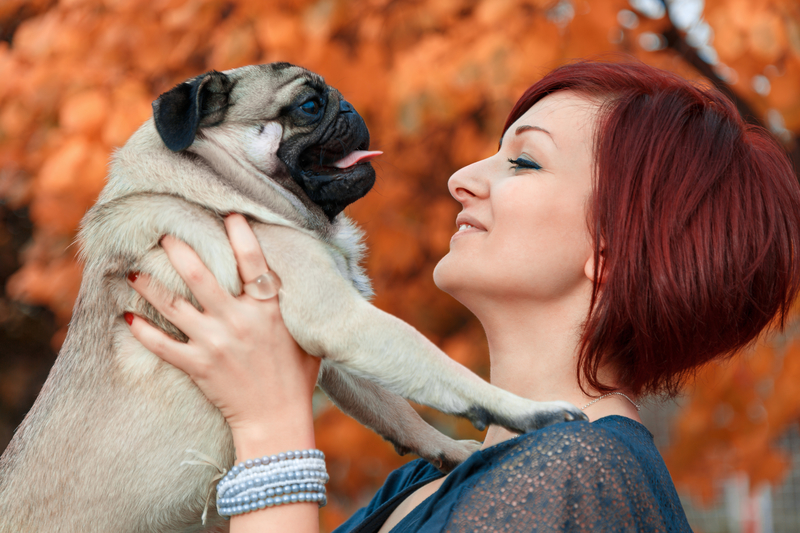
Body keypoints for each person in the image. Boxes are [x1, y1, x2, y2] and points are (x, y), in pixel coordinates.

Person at [125, 59, 800, 532]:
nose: (460, 178)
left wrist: (271, 429)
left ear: (615, 252)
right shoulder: (427, 481)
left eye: (524, 160)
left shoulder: (577, 472)